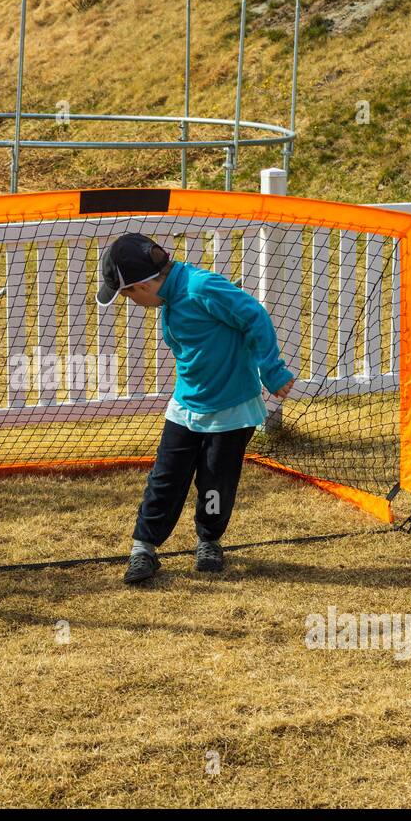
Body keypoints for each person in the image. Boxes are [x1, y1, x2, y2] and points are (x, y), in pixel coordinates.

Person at [96, 232, 295, 584]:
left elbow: (255, 317)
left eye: (127, 295)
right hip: (186, 406)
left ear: (142, 286)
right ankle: (143, 549)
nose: (130, 302)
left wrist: (272, 371)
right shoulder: (170, 298)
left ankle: (209, 541)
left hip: (231, 410)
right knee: (166, 478)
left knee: (215, 482)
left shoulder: (201, 287)